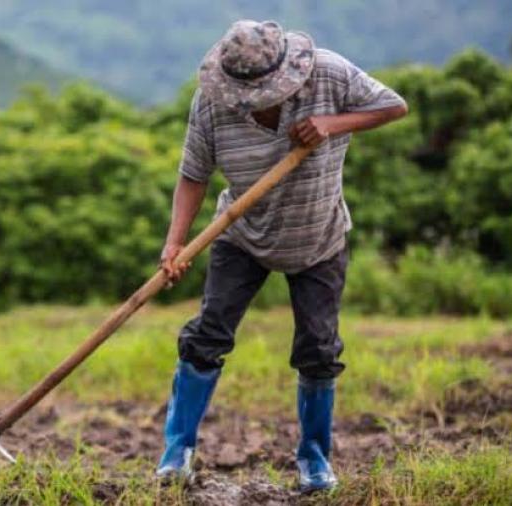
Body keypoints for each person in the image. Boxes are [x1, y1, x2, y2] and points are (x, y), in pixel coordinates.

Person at [156, 19, 408, 492]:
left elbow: (394, 105)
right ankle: (176, 454)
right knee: (207, 336)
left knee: (317, 349)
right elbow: (193, 173)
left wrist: (333, 123)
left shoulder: (329, 74)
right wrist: (175, 243)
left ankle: (314, 461)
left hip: (318, 236)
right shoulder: (212, 101)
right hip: (241, 233)